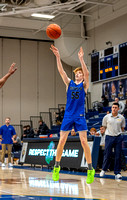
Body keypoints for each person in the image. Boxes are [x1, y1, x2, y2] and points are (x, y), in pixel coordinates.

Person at [50, 44, 95, 184]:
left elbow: (87, 74)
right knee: (62, 140)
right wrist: (58, 57)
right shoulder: (69, 84)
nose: (79, 74)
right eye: (77, 73)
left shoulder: (84, 85)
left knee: (83, 141)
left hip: (80, 115)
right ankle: (56, 166)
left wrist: (81, 59)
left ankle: (90, 169)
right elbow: (61, 71)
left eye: (80, 73)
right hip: (69, 115)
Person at [100, 102, 126, 179]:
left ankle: (117, 172)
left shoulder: (121, 118)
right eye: (113, 107)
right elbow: (104, 126)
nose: (114, 109)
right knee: (107, 154)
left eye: (115, 107)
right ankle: (103, 170)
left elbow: (122, 128)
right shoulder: (106, 117)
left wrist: (118, 133)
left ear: (118, 109)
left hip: (118, 137)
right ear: (111, 108)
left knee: (118, 155)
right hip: (109, 137)